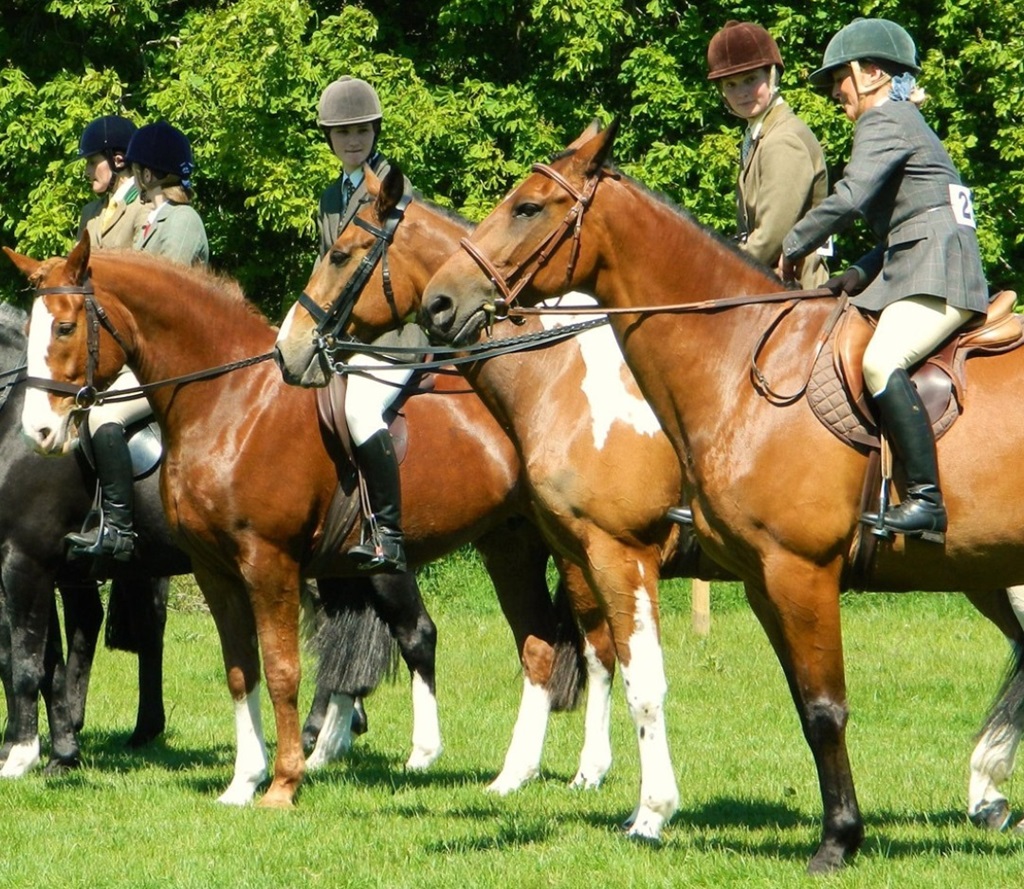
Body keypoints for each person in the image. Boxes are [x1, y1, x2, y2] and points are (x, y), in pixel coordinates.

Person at [780, 18, 989, 540]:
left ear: (871, 73)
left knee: (880, 360)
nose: (836, 92)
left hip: (937, 272)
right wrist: (854, 274)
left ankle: (926, 501)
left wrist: (791, 244)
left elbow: (850, 198)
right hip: (924, 261)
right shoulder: (905, 121)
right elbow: (908, 225)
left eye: (840, 79)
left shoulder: (884, 119)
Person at [66, 121, 209, 562]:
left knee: (103, 413)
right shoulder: (156, 220)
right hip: (149, 355)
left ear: (147, 173)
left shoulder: (182, 221)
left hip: (176, 359)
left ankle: (120, 528)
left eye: (139, 170)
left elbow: (164, 299)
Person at [316, 76, 426, 573]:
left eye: (361, 130)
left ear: (375, 131)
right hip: (346, 338)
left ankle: (389, 533)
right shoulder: (329, 198)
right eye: (343, 133)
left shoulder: (396, 189)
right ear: (330, 139)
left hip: (395, 335)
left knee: (360, 409)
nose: (353, 140)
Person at [706, 20, 830, 289]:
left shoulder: (783, 140)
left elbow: (770, 237)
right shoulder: (758, 135)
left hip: (795, 291)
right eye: (731, 84)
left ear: (772, 76)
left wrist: (718, 273)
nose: (741, 93)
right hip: (769, 285)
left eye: (751, 80)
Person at [76, 114, 151, 249]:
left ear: (118, 161)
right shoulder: (89, 212)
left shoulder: (145, 206)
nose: (87, 171)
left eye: (92, 162)